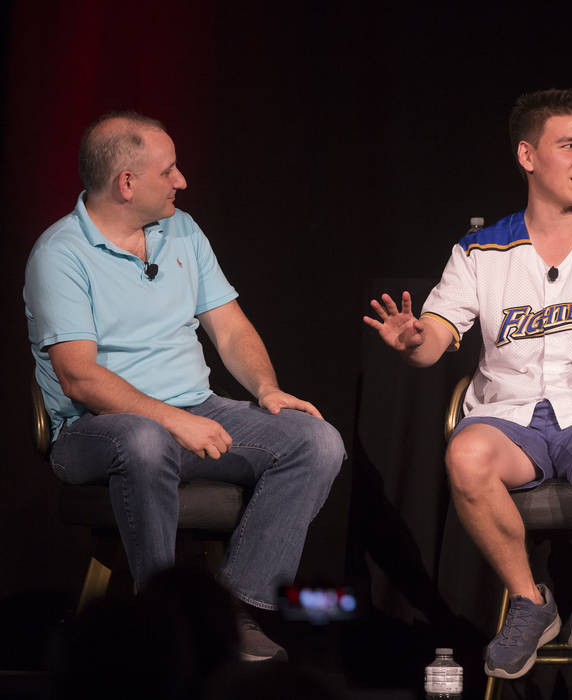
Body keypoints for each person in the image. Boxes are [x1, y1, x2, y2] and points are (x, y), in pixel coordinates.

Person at [364, 88, 572, 679]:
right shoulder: (481, 250)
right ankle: (530, 601)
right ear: (528, 156)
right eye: (568, 146)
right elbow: (433, 338)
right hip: (509, 416)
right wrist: (412, 342)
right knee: (466, 454)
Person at [24, 112, 346, 661]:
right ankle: (165, 617)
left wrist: (266, 391)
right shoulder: (60, 254)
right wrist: (171, 420)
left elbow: (230, 325)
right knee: (144, 442)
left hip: (195, 410)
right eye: (169, 171)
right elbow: (77, 374)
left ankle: (233, 607)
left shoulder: (182, 230)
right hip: (93, 430)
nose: (182, 181)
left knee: (315, 441)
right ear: (126, 183)